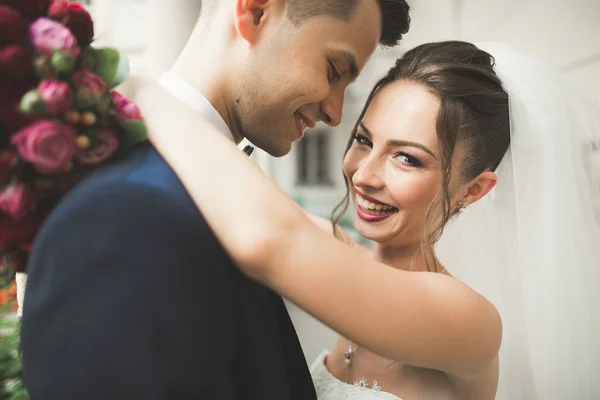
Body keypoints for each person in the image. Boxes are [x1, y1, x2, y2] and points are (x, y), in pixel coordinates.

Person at [128, 41, 600, 399]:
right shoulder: (339, 255)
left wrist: (140, 92)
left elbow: (267, 237)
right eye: (363, 140)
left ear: (474, 190)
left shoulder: (469, 320)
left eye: (408, 159)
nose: (364, 174)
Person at [19, 0, 411, 398]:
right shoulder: (128, 215)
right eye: (332, 70)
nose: (335, 112)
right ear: (256, 11)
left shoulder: (227, 201)